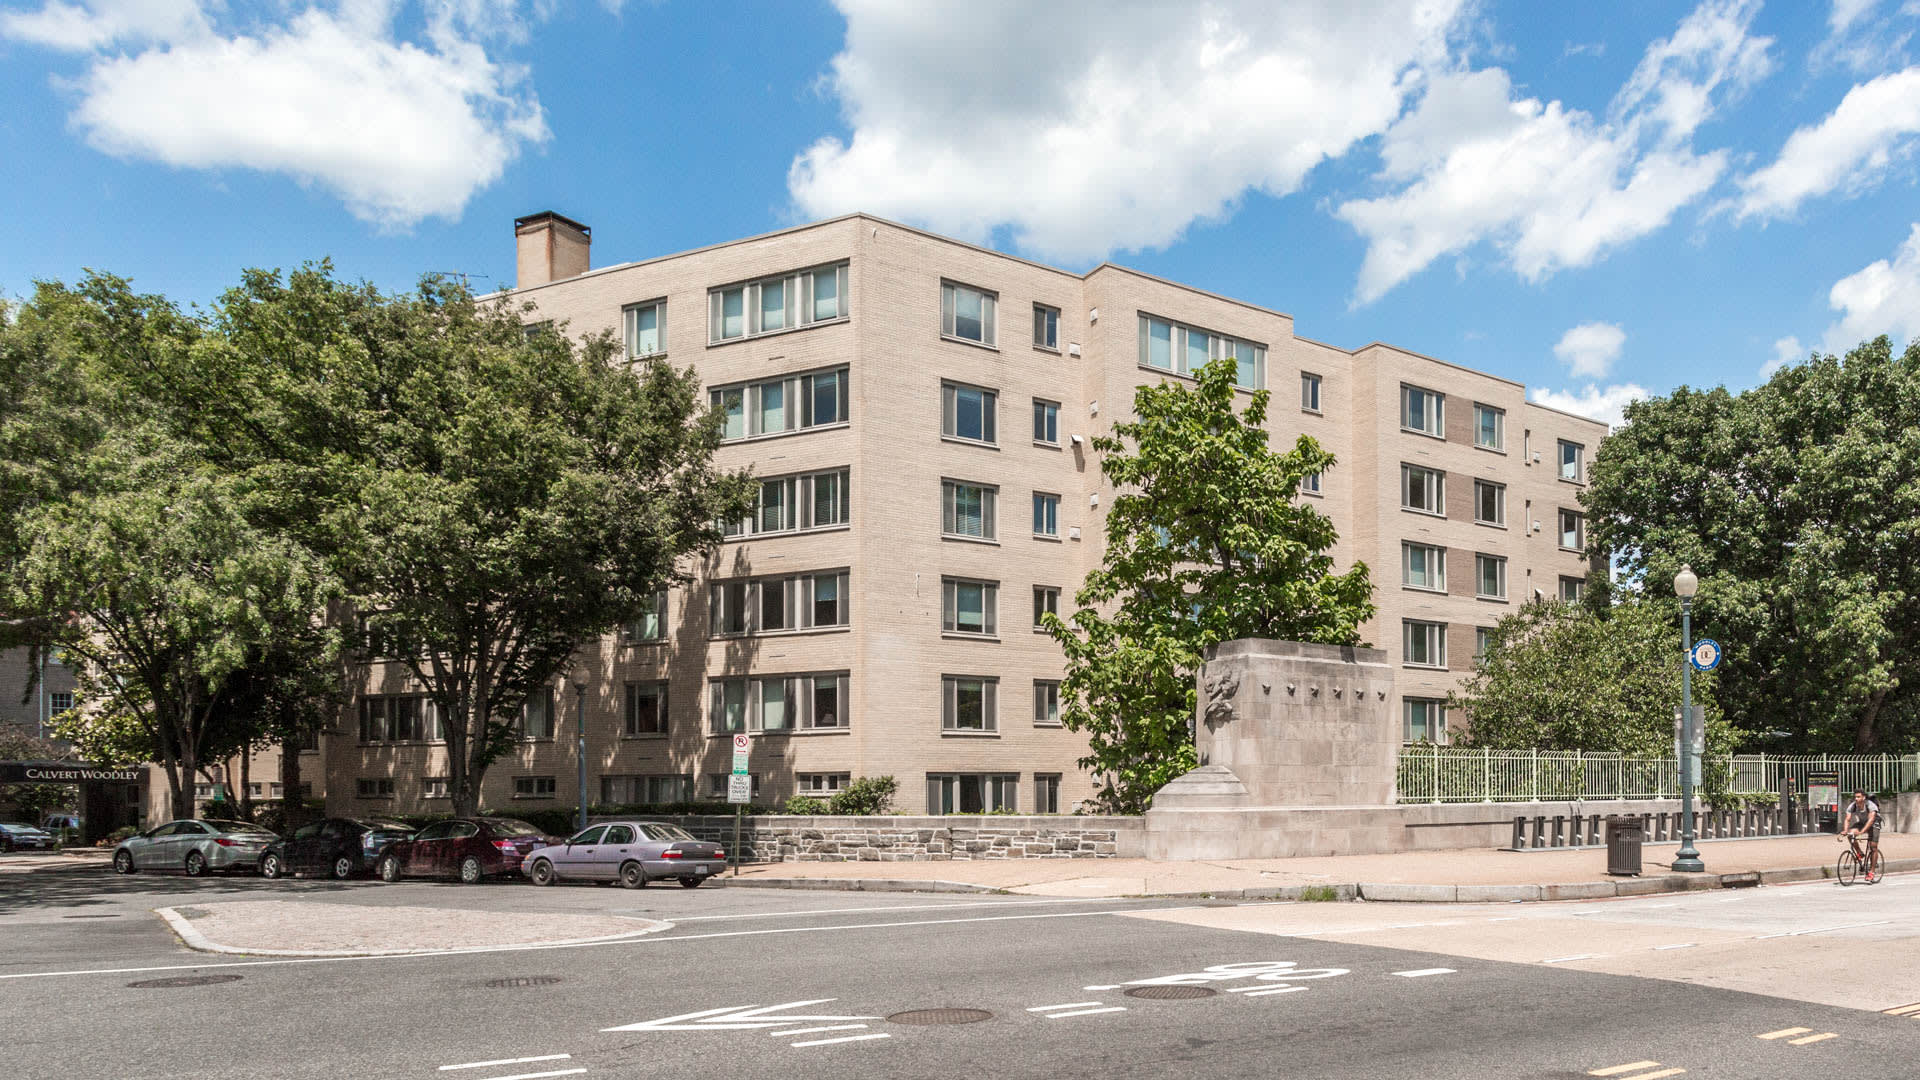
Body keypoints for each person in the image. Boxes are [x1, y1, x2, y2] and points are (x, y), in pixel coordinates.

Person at [1840, 789, 1881, 882]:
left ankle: (1872, 872)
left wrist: (1862, 832)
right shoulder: (1853, 805)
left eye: (1858, 797)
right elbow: (1847, 819)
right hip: (1862, 823)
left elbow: (1871, 820)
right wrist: (1845, 830)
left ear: (1864, 797)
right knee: (1850, 834)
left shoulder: (1870, 805)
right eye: (1855, 797)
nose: (1856, 799)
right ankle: (1860, 853)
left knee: (1873, 846)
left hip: (1874, 824)